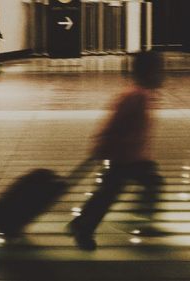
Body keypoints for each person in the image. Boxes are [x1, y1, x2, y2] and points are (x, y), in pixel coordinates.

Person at [68, 51, 165, 251]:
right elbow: (114, 126)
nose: (163, 76)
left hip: (134, 157)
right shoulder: (134, 96)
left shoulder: (142, 95)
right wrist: (102, 148)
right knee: (108, 194)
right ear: (148, 73)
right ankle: (84, 228)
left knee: (109, 193)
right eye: (159, 71)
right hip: (124, 157)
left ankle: (82, 224)